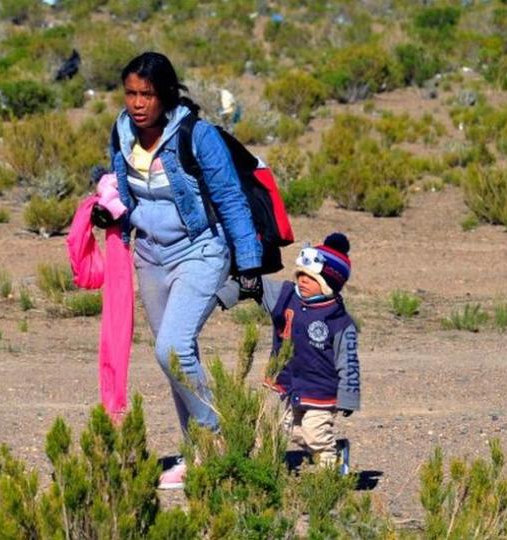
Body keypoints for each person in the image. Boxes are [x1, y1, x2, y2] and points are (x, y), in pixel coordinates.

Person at [92, 51, 262, 489]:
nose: (137, 103)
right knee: (176, 358)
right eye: (130, 93)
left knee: (171, 347)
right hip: (149, 254)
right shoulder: (122, 131)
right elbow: (124, 192)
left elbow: (229, 199)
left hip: (200, 251)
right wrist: (111, 215)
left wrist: (248, 263)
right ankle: (197, 453)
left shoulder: (197, 135)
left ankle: (218, 437)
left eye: (146, 94)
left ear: (165, 94)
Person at [252, 233, 360, 470]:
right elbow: (261, 289)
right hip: (293, 384)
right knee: (292, 431)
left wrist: (348, 395)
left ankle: (331, 470)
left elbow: (349, 360)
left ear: (327, 284)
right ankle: (335, 448)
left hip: (322, 388)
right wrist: (248, 283)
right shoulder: (288, 297)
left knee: (315, 434)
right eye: (300, 275)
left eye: (309, 278)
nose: (301, 281)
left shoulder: (339, 320)